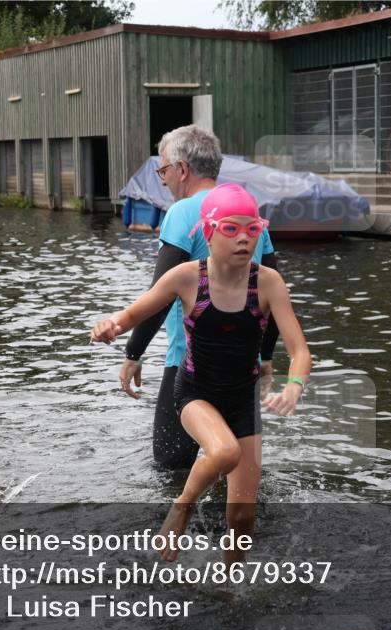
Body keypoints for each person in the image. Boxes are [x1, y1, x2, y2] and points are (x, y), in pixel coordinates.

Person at [93, 183, 311, 563]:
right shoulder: (186, 277)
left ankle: (230, 581)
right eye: (231, 229)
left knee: (242, 515)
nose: (244, 239)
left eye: (252, 230)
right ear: (209, 232)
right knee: (223, 452)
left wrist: (293, 387)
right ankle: (182, 507)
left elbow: (299, 350)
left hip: (242, 400)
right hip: (195, 394)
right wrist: (112, 325)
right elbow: (133, 314)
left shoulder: (268, 283)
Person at [119, 125, 284, 470]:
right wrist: (265, 355)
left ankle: (179, 521)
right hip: (244, 370)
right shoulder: (247, 213)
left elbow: (159, 294)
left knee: (170, 467)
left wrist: (133, 353)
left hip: (190, 365)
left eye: (163, 170)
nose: (163, 181)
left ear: (182, 169)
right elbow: (272, 293)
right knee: (237, 475)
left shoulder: (181, 213)